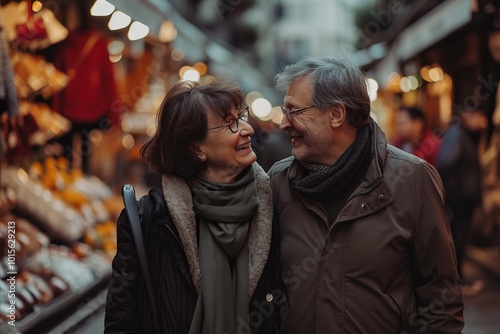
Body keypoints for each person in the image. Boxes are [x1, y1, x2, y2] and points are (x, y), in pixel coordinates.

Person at [268, 55, 464, 333]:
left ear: (336, 114)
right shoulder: (279, 181)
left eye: (294, 111)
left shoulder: (413, 179)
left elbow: (442, 298)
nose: (283, 124)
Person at [105, 79, 282, 333]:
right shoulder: (150, 219)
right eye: (230, 123)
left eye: (241, 116)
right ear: (196, 148)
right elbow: (120, 322)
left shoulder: (273, 205)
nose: (247, 129)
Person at [436, 109, 488, 286]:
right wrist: (452, 191)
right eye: (478, 117)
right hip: (459, 199)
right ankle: (453, 279)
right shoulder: (458, 134)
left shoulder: (468, 135)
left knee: (460, 237)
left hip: (463, 197)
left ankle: (455, 278)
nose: (482, 122)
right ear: (466, 116)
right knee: (456, 237)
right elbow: (445, 162)